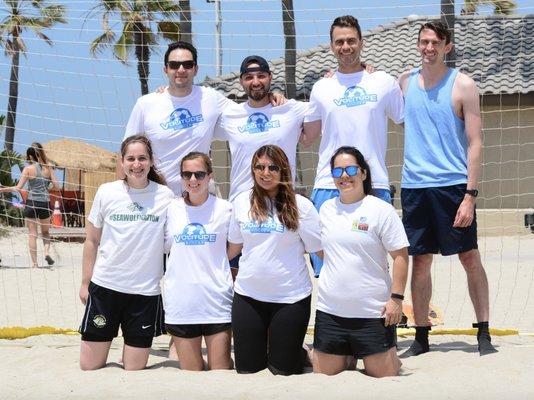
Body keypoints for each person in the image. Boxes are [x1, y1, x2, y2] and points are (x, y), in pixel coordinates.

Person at [398, 21, 497, 357]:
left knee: (469, 257)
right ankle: (421, 336)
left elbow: (475, 142)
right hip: (415, 187)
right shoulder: (404, 82)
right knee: (420, 262)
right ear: (418, 45)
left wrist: (470, 195)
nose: (429, 48)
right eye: (424, 42)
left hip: (453, 186)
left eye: (435, 42)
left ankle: (483, 332)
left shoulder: (464, 85)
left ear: (447, 47)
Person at [300, 15, 404, 276]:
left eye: (351, 41)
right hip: (328, 184)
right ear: (332, 46)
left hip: (374, 184)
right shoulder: (322, 87)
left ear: (361, 43)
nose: (345, 47)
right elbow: (306, 136)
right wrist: (274, 101)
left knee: (374, 266)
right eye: (339, 42)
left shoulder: (383, 82)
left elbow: (407, 122)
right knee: (326, 267)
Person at [124, 42, 285, 196]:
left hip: (199, 194)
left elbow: (247, 111)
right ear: (166, 69)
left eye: (187, 64)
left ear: (195, 69)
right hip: (157, 194)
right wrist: (121, 194)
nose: (181, 69)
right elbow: (125, 153)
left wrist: (269, 96)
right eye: (174, 65)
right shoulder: (146, 104)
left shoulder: (211, 98)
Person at [79, 135, 174, 370]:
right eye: (130, 158)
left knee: (133, 369)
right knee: (89, 367)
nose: (136, 164)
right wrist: (85, 283)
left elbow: (173, 245)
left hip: (144, 294)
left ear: (151, 161)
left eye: (142, 158)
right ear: (122, 162)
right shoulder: (106, 192)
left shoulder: (165, 196)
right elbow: (91, 241)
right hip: (105, 289)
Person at [313, 146, 409, 377]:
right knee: (325, 374)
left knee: (383, 375)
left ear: (364, 173)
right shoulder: (325, 209)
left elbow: (400, 257)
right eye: (337, 171)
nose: (344, 176)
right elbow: (320, 250)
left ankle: (384, 355)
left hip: (371, 313)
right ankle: (344, 353)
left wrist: (396, 299)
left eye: (351, 169)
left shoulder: (381, 210)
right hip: (331, 312)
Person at [227, 145, 322, 375]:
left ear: (283, 171)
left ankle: (296, 351)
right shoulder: (242, 202)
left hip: (290, 297)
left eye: (272, 167)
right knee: (248, 370)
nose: (265, 173)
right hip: (249, 296)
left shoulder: (302, 206)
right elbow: (233, 249)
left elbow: (319, 251)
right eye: (259, 167)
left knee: (283, 371)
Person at [215, 55, 319, 202]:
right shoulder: (229, 115)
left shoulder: (290, 108)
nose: (256, 82)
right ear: (241, 81)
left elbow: (324, 105)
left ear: (270, 77)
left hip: (282, 202)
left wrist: (332, 78)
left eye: (261, 76)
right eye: (249, 77)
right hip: (242, 202)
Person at [163, 152, 233, 371]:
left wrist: (216, 260)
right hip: (182, 302)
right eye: (187, 174)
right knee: (193, 372)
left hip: (216, 300)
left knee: (219, 370)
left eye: (199, 174)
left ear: (210, 176)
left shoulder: (225, 209)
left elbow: (235, 247)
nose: (193, 180)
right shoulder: (171, 209)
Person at [0, 142, 59, 268]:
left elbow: (18, 188)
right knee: (45, 232)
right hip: (45, 203)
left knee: (33, 234)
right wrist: (47, 186)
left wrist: (2, 189)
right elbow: (56, 186)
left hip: (32, 202)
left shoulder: (28, 169)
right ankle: (47, 252)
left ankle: (34, 263)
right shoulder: (48, 168)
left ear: (30, 157)